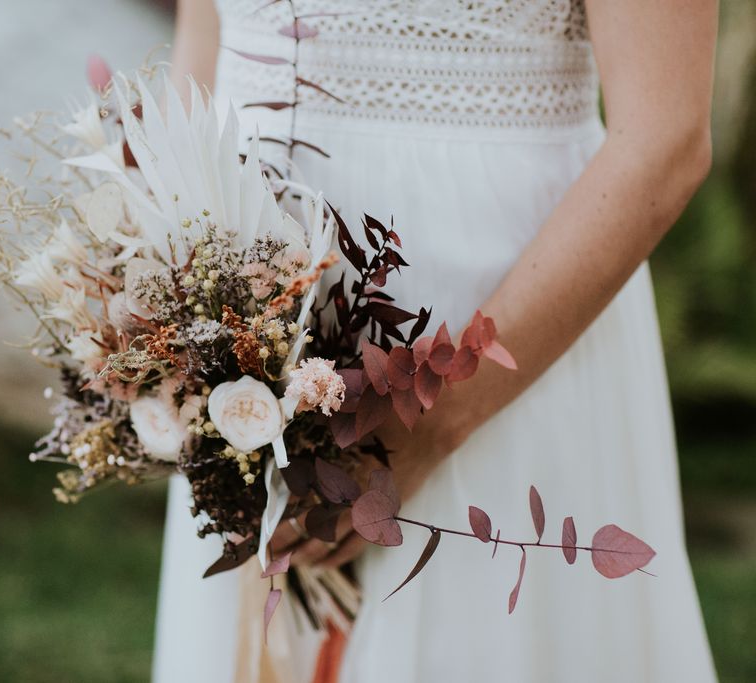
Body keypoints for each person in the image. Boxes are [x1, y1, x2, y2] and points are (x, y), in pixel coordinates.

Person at [153, 1, 720, 681]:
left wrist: (429, 417)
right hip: (244, 328)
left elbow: (666, 138)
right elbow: (205, 38)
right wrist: (168, 304)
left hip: (501, 340)